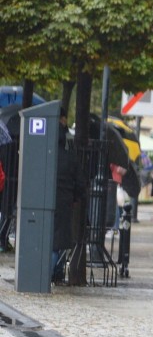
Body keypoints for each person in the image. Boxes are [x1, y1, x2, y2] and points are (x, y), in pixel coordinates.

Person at [52, 112, 87, 283]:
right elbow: (81, 183)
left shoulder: (45, 157)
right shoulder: (70, 157)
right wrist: (74, 197)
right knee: (59, 240)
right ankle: (56, 272)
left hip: (46, 201)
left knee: (48, 239)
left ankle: (49, 273)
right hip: (64, 202)